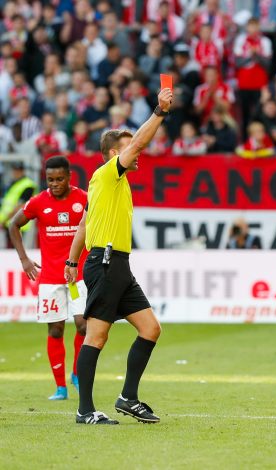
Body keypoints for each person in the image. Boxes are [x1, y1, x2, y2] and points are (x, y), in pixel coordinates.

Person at [63, 87, 173, 425]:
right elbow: (139, 142)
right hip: (106, 263)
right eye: (128, 147)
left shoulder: (111, 185)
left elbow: (84, 222)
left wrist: (70, 261)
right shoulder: (109, 173)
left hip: (118, 265)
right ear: (114, 153)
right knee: (97, 335)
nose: (137, 152)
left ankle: (128, 397)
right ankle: (84, 411)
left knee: (150, 328)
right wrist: (159, 111)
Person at [8, 156, 88, 401]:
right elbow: (13, 225)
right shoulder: (38, 202)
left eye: (60, 179)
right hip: (51, 279)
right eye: (50, 179)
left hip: (78, 276)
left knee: (84, 325)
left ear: (69, 177)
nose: (55, 183)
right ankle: (60, 387)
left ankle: (76, 373)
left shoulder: (84, 198)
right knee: (55, 330)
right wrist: (24, 259)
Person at [1, 162, 36, 248]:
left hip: (19, 222)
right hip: (9, 222)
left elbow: (20, 206)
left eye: (18, 170)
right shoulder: (14, 183)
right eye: (14, 170)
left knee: (15, 250)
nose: (15, 173)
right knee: (10, 250)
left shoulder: (28, 185)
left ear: (22, 171)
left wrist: (5, 220)